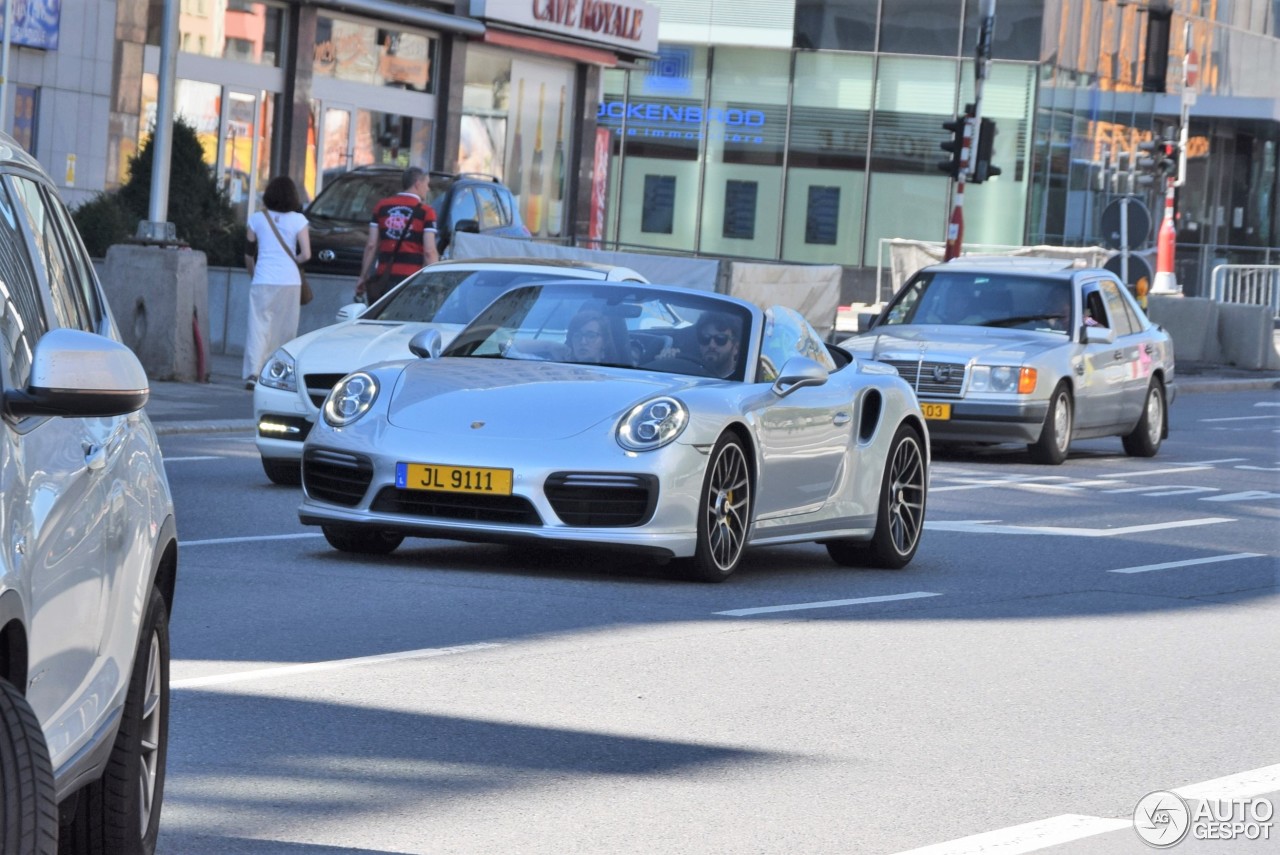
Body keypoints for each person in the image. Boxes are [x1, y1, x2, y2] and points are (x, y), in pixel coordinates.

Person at [244, 175, 310, 389]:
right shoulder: (299, 220)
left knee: (258, 327)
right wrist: (292, 263)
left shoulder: (256, 219)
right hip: (290, 281)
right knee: (285, 330)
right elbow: (306, 254)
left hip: (263, 278)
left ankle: (253, 373)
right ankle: (278, 376)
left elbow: (248, 254)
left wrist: (255, 274)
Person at [356, 166, 439, 304]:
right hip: (411, 279)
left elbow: (371, 245)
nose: (428, 189)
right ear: (418, 184)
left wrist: (363, 277)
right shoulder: (426, 212)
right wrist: (435, 280)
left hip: (384, 277)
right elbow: (429, 251)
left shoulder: (381, 206)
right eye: (427, 184)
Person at [694, 311, 741, 378]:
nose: (711, 345)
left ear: (736, 347)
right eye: (705, 338)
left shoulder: (743, 379)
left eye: (720, 339)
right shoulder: (688, 372)